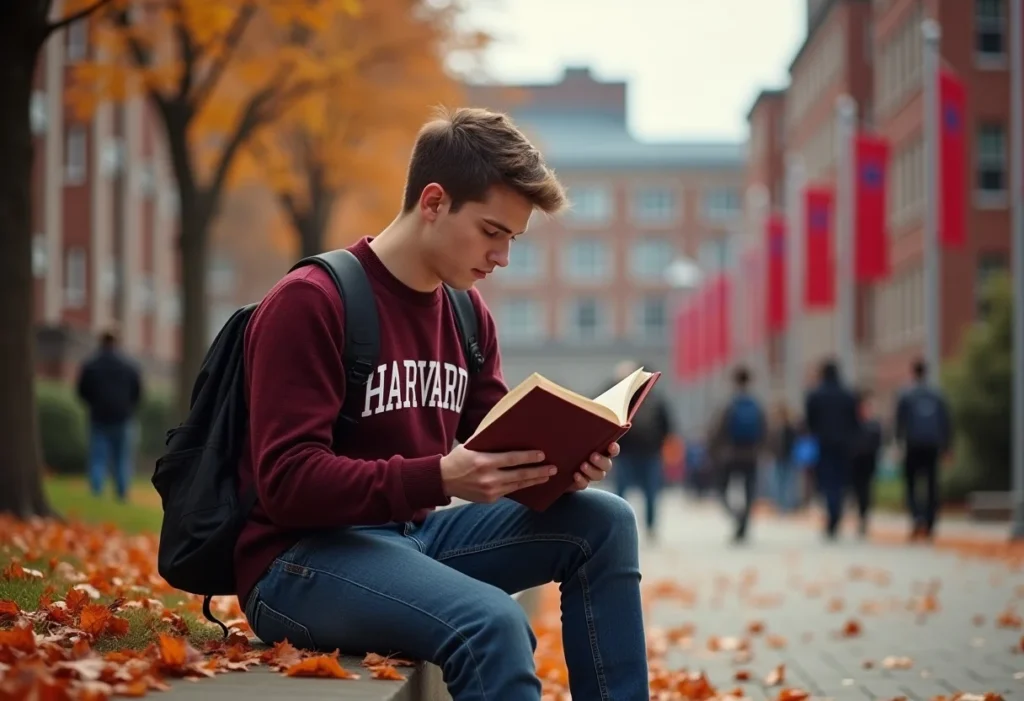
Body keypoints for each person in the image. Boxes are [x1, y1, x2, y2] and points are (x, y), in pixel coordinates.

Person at [233, 107, 648, 700]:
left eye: (512, 239)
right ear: (433, 202)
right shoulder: (311, 302)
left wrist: (567, 464)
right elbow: (287, 483)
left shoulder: (466, 314)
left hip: (411, 542)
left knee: (606, 521)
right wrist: (438, 476)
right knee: (494, 622)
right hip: (298, 564)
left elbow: (505, 439)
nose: (502, 257)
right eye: (491, 232)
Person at [608, 359, 674, 542]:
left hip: (635, 454)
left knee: (626, 492)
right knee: (646, 492)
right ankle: (646, 528)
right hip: (640, 454)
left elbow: (667, 427)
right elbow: (668, 427)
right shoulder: (631, 398)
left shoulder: (633, 399)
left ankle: (623, 526)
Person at [75, 327, 143, 502]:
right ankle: (121, 493)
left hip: (98, 418)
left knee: (98, 458)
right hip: (123, 418)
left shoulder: (90, 365)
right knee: (122, 459)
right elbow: (138, 392)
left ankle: (96, 491)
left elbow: (82, 391)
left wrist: (93, 404)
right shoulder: (130, 366)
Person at [707, 365, 767, 542]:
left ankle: (737, 517)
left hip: (730, 454)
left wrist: (714, 451)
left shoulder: (729, 404)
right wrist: (761, 449)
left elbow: (718, 430)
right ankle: (744, 522)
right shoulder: (757, 404)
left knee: (721, 489)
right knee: (749, 490)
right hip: (751, 453)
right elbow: (764, 429)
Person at [894, 359, 952, 540]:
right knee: (932, 484)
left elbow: (899, 422)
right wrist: (947, 446)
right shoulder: (937, 395)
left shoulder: (906, 394)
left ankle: (917, 518)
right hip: (932, 445)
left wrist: (898, 443)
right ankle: (930, 522)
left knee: (912, 484)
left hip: (913, 445)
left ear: (913, 373)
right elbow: (946, 422)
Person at [804, 359, 860, 540]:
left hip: (824, 444)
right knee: (840, 482)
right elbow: (855, 421)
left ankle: (833, 513)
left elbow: (809, 421)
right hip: (844, 445)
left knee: (827, 482)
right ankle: (836, 512)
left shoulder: (815, 395)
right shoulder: (848, 394)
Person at [850, 389, 884, 537]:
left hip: (868, 462)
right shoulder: (853, 425)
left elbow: (878, 444)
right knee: (858, 491)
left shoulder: (874, 425)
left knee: (865, 491)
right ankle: (859, 515)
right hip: (855, 462)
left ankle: (863, 517)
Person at [768, 402, 798, 513]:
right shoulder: (774, 428)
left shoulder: (790, 428)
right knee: (777, 483)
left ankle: (786, 505)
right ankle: (779, 505)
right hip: (777, 457)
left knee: (787, 482)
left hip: (788, 458)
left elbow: (794, 442)